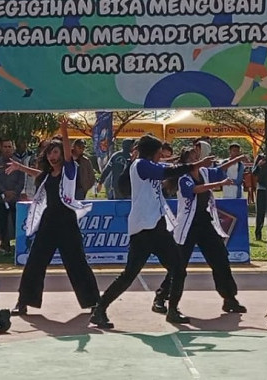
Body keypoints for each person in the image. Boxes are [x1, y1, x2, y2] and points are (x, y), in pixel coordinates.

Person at [89, 134, 214, 329]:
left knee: (178, 269)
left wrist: (189, 162)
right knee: (129, 275)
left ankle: (172, 311)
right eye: (158, 153)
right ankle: (99, 310)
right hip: (142, 229)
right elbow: (166, 172)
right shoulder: (140, 165)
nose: (160, 156)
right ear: (152, 153)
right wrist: (195, 165)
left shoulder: (150, 164)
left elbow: (167, 166)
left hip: (157, 226)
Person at [6, 117, 100, 316]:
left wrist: (64, 131)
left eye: (55, 151)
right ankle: (23, 302)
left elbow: (68, 155)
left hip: (67, 222)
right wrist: (19, 167)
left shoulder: (70, 171)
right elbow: (36, 173)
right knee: (35, 262)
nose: (52, 155)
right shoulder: (47, 176)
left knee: (77, 263)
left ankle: (94, 303)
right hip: (49, 222)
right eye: (49, 152)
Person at [152, 148, 247, 315]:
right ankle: (161, 297)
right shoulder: (184, 177)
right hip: (188, 226)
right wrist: (219, 184)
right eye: (194, 157)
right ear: (188, 162)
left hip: (204, 222)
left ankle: (229, 298)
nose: (198, 158)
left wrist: (237, 159)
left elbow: (219, 170)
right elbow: (195, 190)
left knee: (220, 258)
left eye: (197, 155)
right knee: (178, 265)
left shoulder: (203, 171)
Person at [0, 139, 25, 253]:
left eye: (9, 146)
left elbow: (21, 180)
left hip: (15, 198)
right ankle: (5, 246)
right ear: (1, 148)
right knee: (2, 222)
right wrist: (4, 191)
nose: (7, 149)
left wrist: (14, 193)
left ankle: (18, 246)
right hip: (1, 198)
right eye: (5, 146)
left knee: (17, 222)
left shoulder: (19, 163)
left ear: (13, 148)